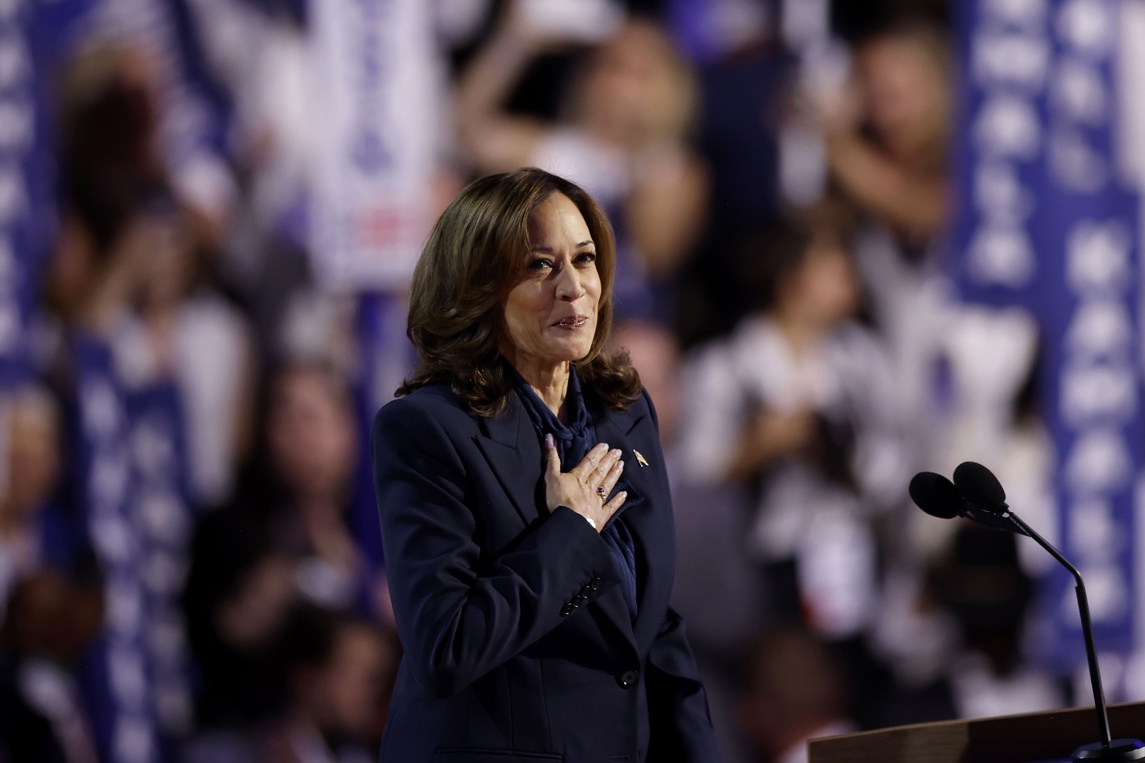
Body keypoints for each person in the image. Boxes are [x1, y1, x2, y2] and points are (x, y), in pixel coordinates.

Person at [370, 167, 721, 762]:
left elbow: (650, 623)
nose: (572, 286)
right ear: (477, 286)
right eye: (539, 265)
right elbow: (445, 647)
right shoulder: (428, 429)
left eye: (584, 260)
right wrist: (571, 533)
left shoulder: (624, 413)